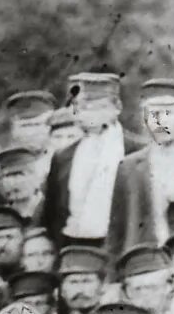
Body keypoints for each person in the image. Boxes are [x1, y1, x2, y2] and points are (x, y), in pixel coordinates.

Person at [108, 77, 174, 255]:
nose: (159, 122)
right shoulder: (128, 167)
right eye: (153, 114)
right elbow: (115, 233)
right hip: (142, 267)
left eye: (168, 113)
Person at [41, 72, 127, 248]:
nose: (88, 114)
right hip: (74, 244)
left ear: (117, 107)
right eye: (81, 107)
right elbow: (52, 213)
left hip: (120, 245)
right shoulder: (63, 157)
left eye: (97, 107)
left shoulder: (135, 151)